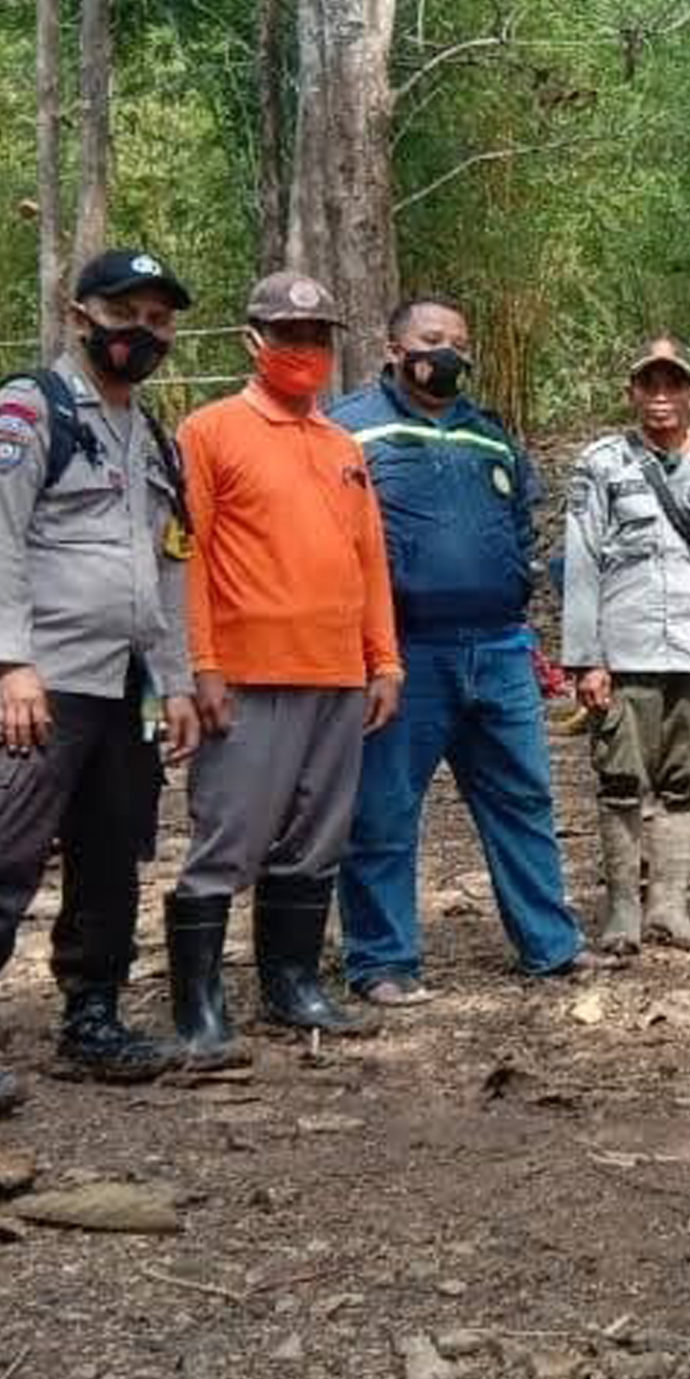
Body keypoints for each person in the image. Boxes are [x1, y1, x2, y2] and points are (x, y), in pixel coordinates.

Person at [0, 248, 200, 1115]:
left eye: (160, 319)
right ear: (80, 315)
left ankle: (92, 1016)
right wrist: (8, 662)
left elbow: (169, 562)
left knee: (112, 854)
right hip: (42, 676)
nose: (143, 332)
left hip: (124, 682)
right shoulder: (29, 410)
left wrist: (174, 680)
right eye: (126, 313)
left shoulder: (149, 436)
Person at [166, 273, 403, 1056]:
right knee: (230, 834)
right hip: (247, 671)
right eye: (288, 336)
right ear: (253, 342)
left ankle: (292, 984)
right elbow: (187, 555)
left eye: (318, 337)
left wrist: (385, 660)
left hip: (337, 671)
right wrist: (199, 662)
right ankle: (199, 1007)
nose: (305, 351)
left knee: (316, 835)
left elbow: (368, 559)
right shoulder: (209, 431)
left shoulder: (343, 446)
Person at [327, 295, 587, 1006]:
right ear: (392, 348)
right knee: (383, 808)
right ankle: (383, 960)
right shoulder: (348, 428)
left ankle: (550, 944)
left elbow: (518, 523)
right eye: (431, 339)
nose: (447, 353)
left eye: (458, 342)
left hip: (500, 646)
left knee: (522, 798)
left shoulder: (488, 431)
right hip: (402, 654)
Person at [562, 335, 690, 952]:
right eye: (649, 385)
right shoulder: (602, 463)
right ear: (632, 393)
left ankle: (669, 907)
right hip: (627, 644)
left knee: (689, 780)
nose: (661, 397)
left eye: (673, 385)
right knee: (618, 781)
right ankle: (621, 914)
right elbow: (582, 560)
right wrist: (586, 657)